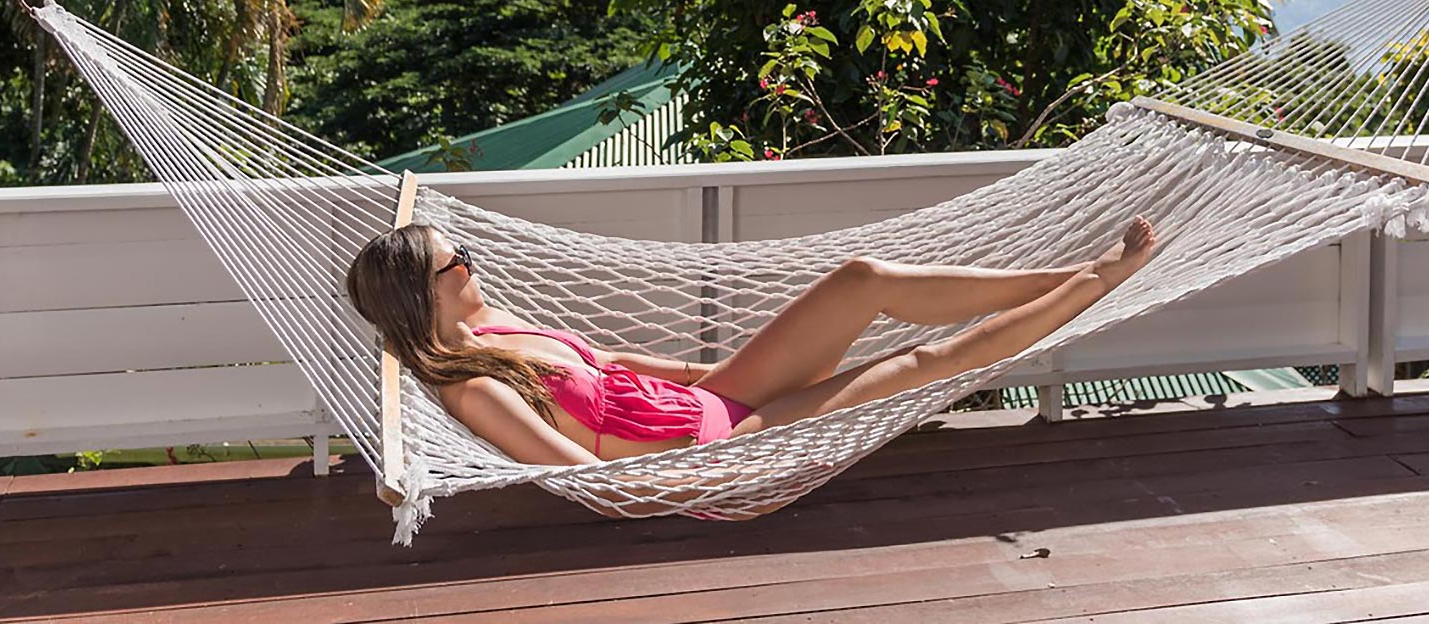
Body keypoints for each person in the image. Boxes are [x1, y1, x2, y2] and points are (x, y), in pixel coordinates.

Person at [343, 217, 1156, 467]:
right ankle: (1095, 285)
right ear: (427, 290)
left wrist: (713, 373)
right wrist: (723, 472)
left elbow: (613, 366)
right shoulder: (476, 389)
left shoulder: (489, 327)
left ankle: (1065, 273)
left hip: (708, 399)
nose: (474, 263)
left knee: (861, 277)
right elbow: (590, 480)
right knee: (917, 366)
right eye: (461, 259)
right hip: (717, 447)